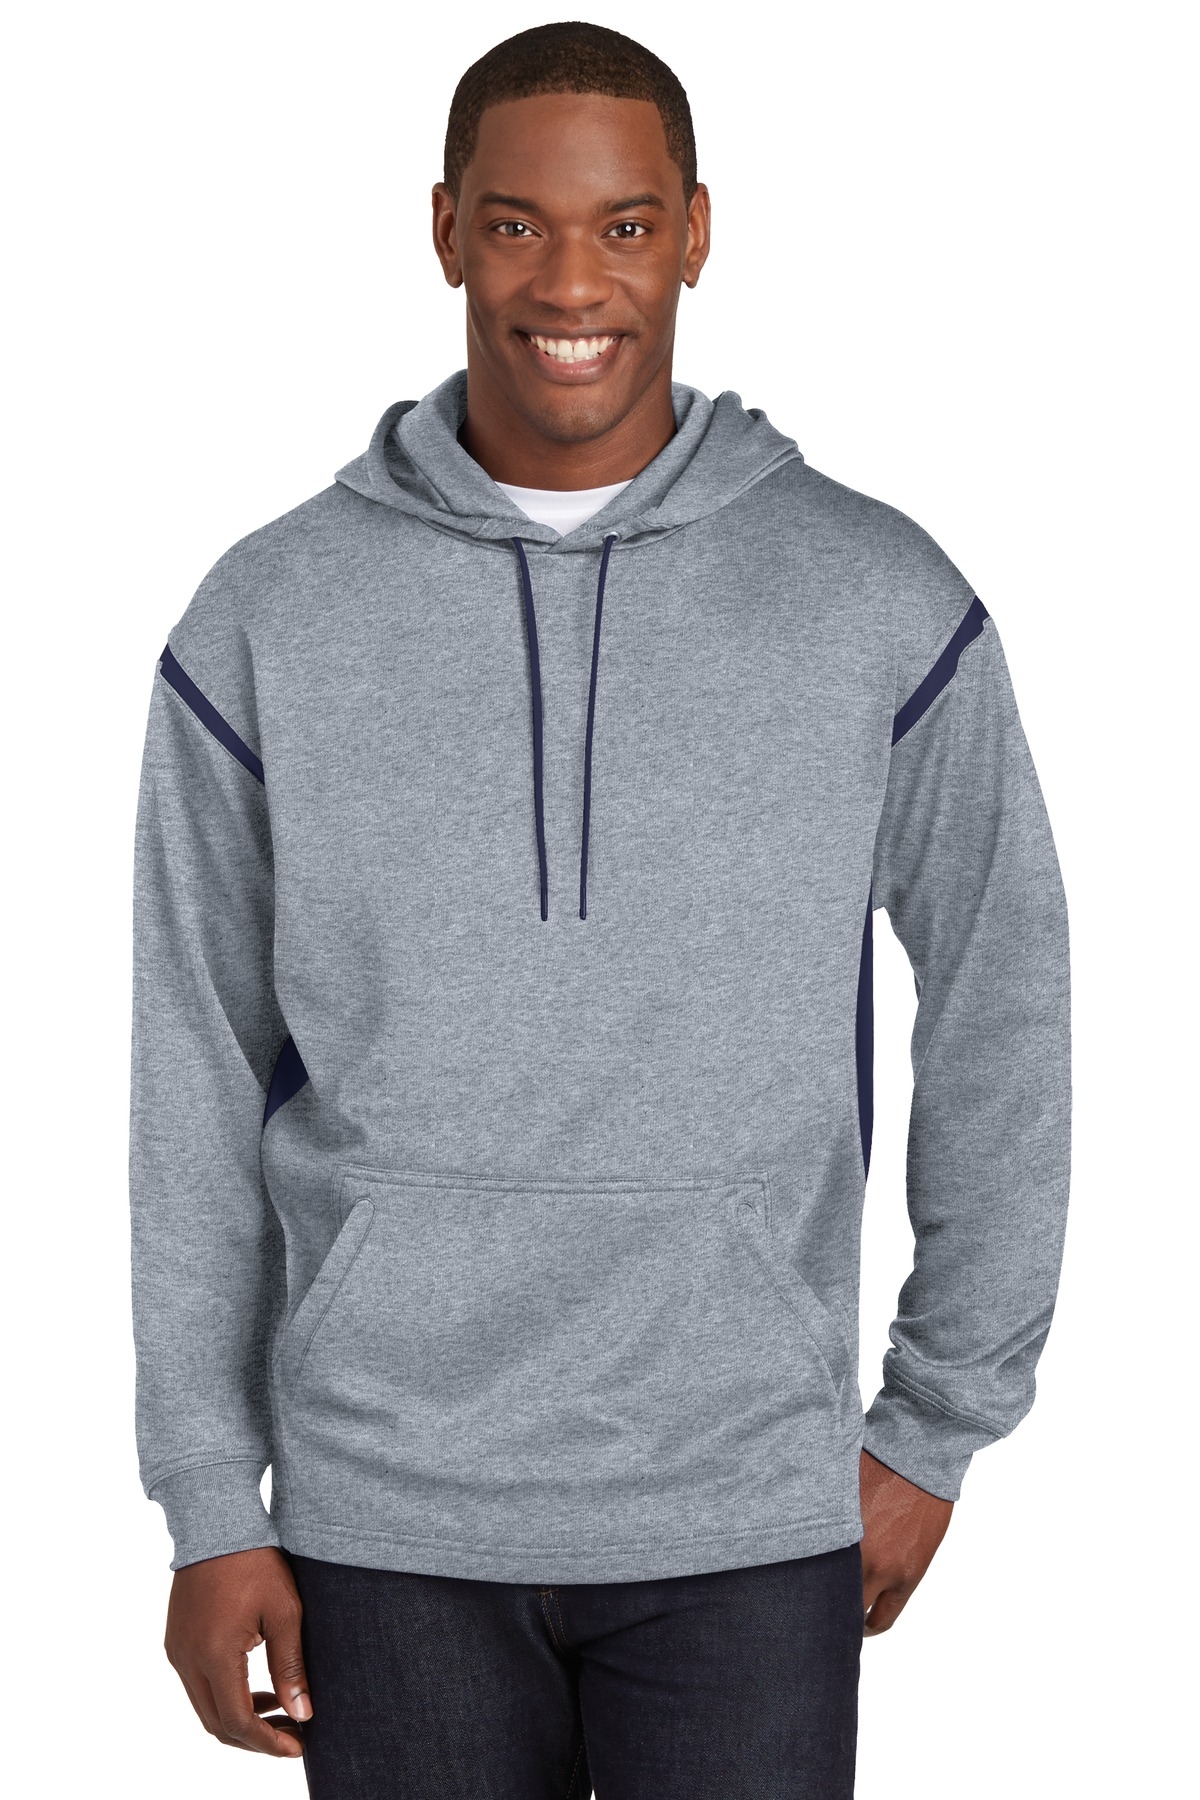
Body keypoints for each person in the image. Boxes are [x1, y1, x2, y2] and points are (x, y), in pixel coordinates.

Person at [130, 21, 1071, 1798]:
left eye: (625, 227)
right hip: (381, 1514)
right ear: (444, 230)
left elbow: (1004, 993)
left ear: (696, 233)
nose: (571, 285)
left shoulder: (876, 598)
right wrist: (204, 1498)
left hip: (747, 1506)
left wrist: (938, 1425)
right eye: (517, 225)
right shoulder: (269, 614)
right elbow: (193, 1059)